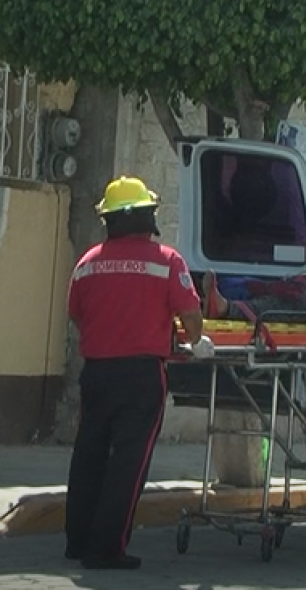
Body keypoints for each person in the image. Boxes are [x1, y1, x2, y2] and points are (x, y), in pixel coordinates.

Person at [65, 176, 215, 570]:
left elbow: (78, 315)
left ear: (109, 220)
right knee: (128, 463)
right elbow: (191, 314)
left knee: (89, 455)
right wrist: (197, 342)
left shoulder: (86, 264)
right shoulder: (166, 261)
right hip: (141, 376)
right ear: (149, 216)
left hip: (96, 374)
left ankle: (78, 542)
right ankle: (107, 548)